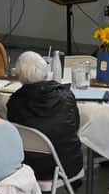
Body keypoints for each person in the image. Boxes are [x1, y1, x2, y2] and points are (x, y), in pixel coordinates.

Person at [6, 52, 83, 181]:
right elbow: (74, 127)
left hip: (24, 166)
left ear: (19, 77)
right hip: (64, 166)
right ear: (46, 72)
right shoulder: (66, 96)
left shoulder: (15, 101)